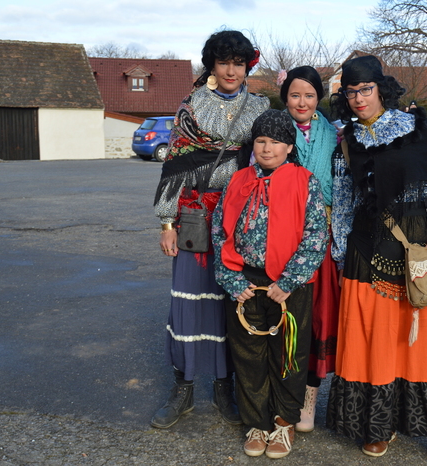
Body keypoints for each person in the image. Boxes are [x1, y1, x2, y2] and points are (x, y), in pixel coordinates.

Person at [327, 55, 427, 466]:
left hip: (413, 244)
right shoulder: (345, 140)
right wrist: (340, 257)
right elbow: (343, 201)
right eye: (351, 92)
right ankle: (379, 424)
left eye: (365, 90)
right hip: (363, 250)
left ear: (381, 89)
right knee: (372, 338)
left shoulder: (415, 128)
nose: (358, 98)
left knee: (423, 343)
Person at [150, 30, 269, 430]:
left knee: (230, 303)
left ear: (247, 66)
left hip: (242, 220)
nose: (232, 70)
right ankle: (183, 388)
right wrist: (167, 223)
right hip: (195, 218)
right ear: (212, 65)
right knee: (188, 302)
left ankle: (224, 387)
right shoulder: (192, 107)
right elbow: (175, 166)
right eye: (224, 62)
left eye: (239, 63)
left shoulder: (260, 108)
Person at [211, 109, 328, 458]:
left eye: (275, 142)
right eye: (261, 141)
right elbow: (219, 230)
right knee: (248, 354)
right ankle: (257, 422)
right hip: (245, 283)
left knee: (288, 354)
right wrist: (232, 280)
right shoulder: (238, 181)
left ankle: (283, 421)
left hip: (288, 286)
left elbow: (316, 236)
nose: (266, 148)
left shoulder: (304, 181)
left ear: (289, 147)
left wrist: (289, 281)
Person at [279, 66, 340, 433]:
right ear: (285, 97)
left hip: (323, 236)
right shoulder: (274, 130)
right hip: (283, 236)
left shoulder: (334, 135)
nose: (302, 102)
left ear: (319, 98)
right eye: (295, 95)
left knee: (317, 316)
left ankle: (309, 397)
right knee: (286, 314)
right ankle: (281, 393)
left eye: (309, 95)